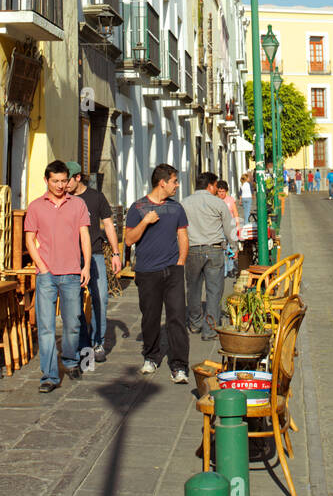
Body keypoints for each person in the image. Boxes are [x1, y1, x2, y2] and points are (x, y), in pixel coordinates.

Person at [25, 160, 92, 393]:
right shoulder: (35, 207)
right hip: (47, 275)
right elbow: (29, 240)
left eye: (64, 181)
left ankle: (72, 361)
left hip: (72, 273)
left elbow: (84, 236)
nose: (60, 185)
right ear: (46, 180)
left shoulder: (78, 205)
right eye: (55, 181)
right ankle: (49, 376)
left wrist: (85, 267)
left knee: (73, 323)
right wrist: (42, 267)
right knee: (46, 327)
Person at [124, 163, 190, 381]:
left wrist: (181, 261)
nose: (177, 185)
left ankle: (179, 365)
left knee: (177, 317)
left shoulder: (176, 208)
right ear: (162, 182)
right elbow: (128, 239)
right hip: (147, 271)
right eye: (174, 181)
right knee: (150, 318)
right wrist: (145, 221)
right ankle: (151, 357)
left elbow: (182, 235)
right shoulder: (138, 208)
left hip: (173, 270)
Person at [66, 162, 121, 365]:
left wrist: (115, 253)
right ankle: (83, 345)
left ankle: (98, 342)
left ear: (78, 177)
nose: (64, 184)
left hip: (96, 255)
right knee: (75, 303)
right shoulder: (63, 199)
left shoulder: (96, 198)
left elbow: (108, 224)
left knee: (101, 299)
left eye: (68, 179)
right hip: (71, 257)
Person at [181, 171, 239, 341]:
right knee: (214, 290)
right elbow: (229, 228)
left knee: (193, 288)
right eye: (215, 186)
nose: (216, 189)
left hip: (192, 250)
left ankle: (195, 323)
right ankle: (210, 328)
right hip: (214, 250)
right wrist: (234, 246)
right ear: (210, 185)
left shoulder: (185, 203)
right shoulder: (218, 203)